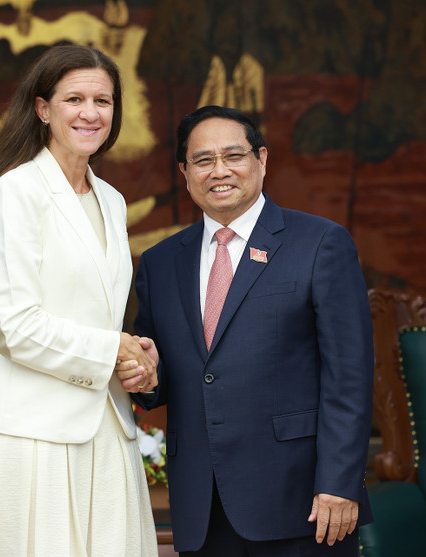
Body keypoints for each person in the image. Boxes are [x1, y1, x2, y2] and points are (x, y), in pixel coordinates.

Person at [0, 45, 159, 557]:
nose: (90, 112)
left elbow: (96, 314)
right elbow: (14, 328)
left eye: (103, 100)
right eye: (74, 98)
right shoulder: (16, 192)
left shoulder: (112, 199)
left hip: (105, 431)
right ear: (42, 109)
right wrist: (112, 349)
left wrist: (137, 357)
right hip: (27, 438)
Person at [117, 105, 374, 556]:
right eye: (203, 160)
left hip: (303, 503)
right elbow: (158, 376)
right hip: (202, 504)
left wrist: (339, 482)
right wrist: (146, 378)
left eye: (233, 156)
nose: (220, 171)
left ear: (262, 160)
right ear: (184, 170)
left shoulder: (319, 243)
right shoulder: (160, 262)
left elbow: (349, 375)